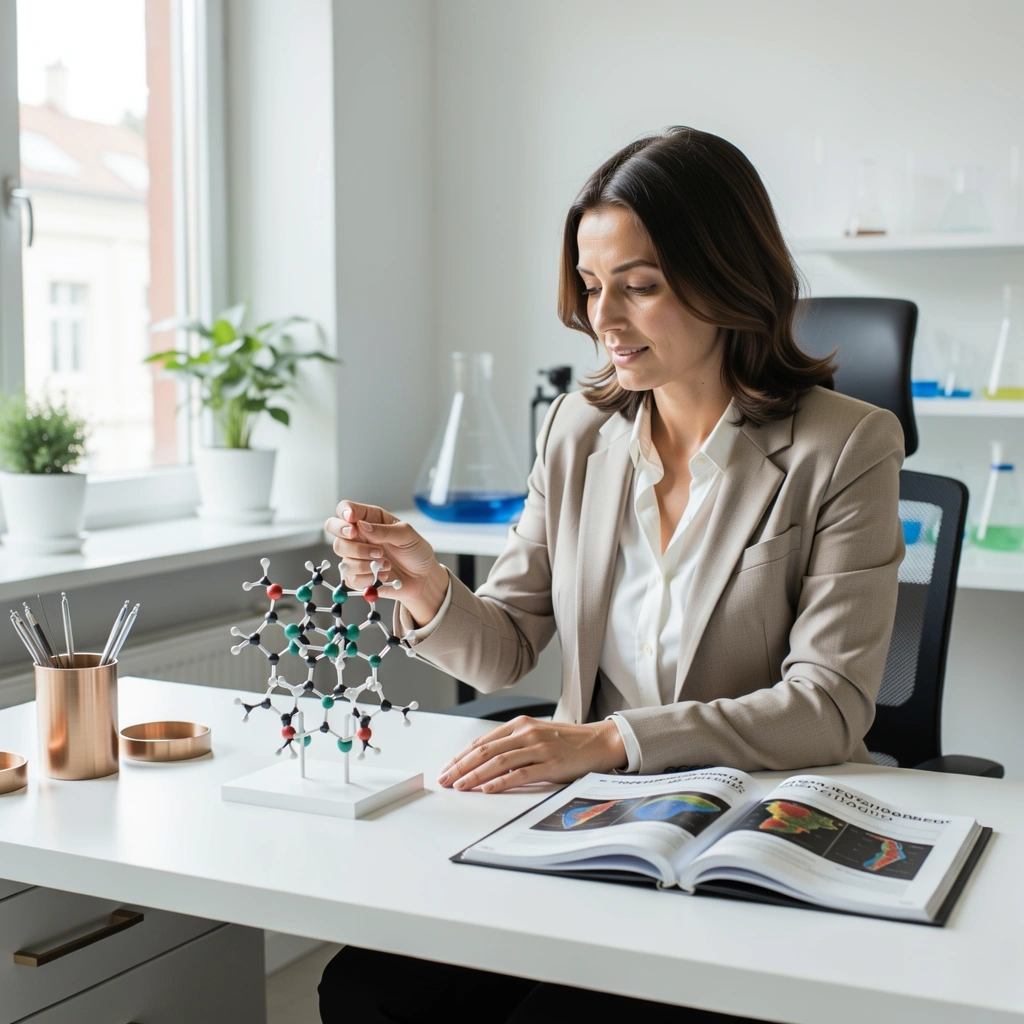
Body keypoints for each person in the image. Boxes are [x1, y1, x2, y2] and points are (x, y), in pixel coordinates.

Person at [318, 126, 904, 1022]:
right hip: (595, 826)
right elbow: (507, 647)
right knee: (368, 988)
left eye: (640, 287)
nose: (605, 320)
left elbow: (827, 704)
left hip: (748, 827)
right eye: (593, 288)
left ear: (729, 279)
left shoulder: (846, 444)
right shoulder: (578, 431)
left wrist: (609, 740)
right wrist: (425, 582)